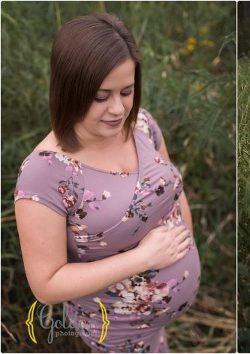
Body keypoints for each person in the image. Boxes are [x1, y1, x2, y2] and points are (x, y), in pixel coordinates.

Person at [13, 13, 200, 352]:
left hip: (156, 328)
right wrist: (144, 259)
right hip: (113, 336)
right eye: (102, 96)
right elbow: (46, 284)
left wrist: (185, 241)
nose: (118, 109)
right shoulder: (46, 174)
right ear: (71, 89)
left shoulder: (141, 124)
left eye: (126, 91)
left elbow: (172, 189)